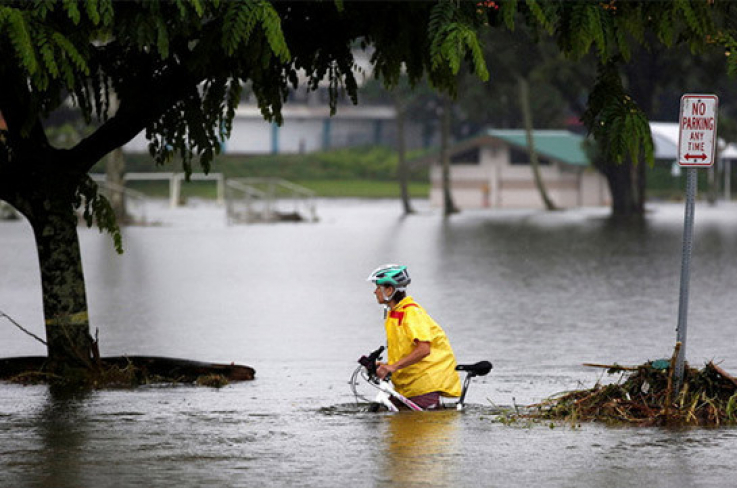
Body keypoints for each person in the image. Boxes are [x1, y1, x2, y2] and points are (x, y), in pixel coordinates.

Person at [367, 264, 462, 410]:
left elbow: (424, 349)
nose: (375, 292)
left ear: (390, 290)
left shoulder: (411, 313)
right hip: (408, 385)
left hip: (425, 384)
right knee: (392, 422)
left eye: (378, 287)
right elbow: (406, 350)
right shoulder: (394, 314)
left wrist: (392, 367)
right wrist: (385, 365)